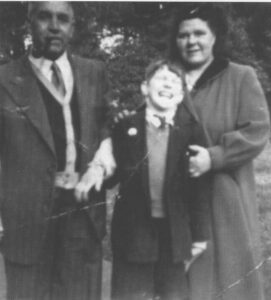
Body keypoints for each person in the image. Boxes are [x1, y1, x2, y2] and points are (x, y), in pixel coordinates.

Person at [0, 2, 113, 299]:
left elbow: (107, 128)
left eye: (63, 19)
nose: (53, 26)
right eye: (44, 17)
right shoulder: (4, 79)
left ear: (72, 27)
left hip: (82, 216)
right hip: (27, 221)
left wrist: (104, 156)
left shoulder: (94, 73)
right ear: (29, 23)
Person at [167, 4, 271, 300]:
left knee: (228, 282)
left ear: (215, 37)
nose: (191, 41)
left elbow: (257, 129)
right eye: (183, 35)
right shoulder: (166, 79)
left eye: (200, 33)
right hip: (177, 199)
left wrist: (213, 157)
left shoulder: (240, 76)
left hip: (225, 202)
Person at [110, 59, 211, 300]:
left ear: (181, 95)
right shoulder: (126, 126)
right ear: (145, 88)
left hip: (174, 233)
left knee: (174, 294)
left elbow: (200, 188)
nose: (168, 84)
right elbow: (111, 173)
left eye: (175, 82)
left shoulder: (192, 129)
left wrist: (199, 234)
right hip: (133, 232)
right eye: (161, 79)